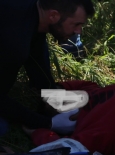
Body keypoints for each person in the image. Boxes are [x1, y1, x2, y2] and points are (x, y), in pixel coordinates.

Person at [0, 0, 95, 135]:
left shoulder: (33, 16)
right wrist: (48, 123)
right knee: (2, 128)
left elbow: (38, 65)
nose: (78, 31)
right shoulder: (14, 40)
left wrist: (54, 98)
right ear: (53, 16)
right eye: (76, 24)